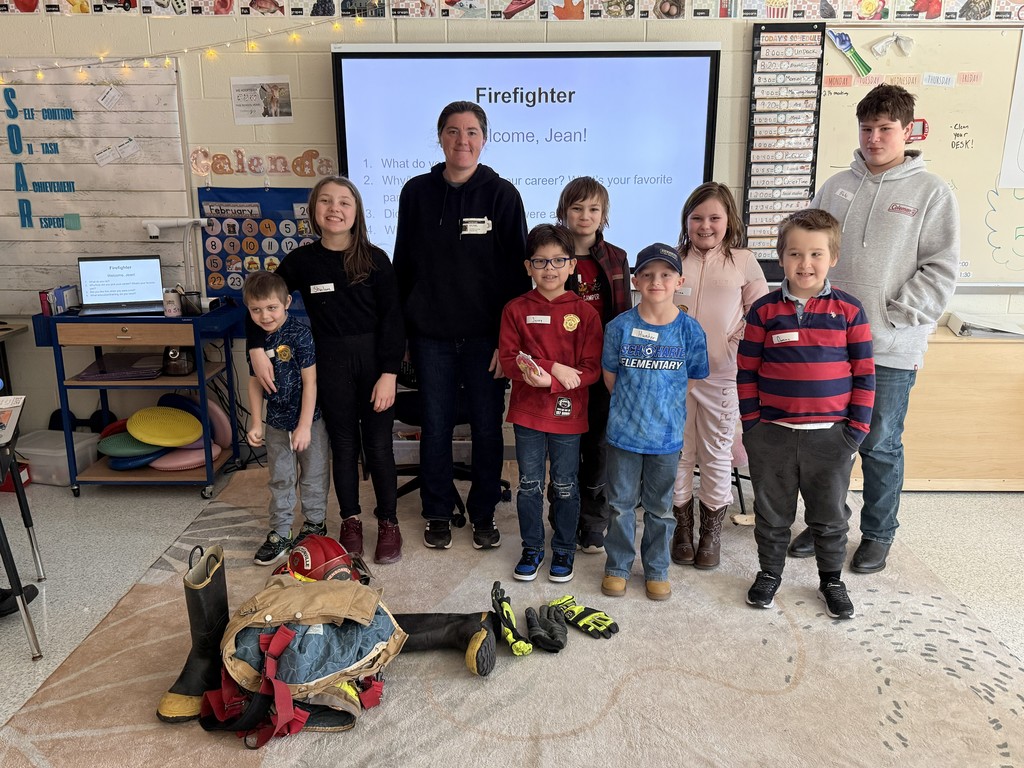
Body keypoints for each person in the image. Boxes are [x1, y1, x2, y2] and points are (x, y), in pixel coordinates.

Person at [787, 84, 959, 574]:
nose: (875, 138)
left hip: (889, 346)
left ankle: (878, 533)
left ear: (908, 130)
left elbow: (941, 269)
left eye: (886, 129)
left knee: (880, 443)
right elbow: (807, 250)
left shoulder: (932, 192)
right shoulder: (838, 185)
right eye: (867, 128)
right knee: (828, 445)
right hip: (827, 347)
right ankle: (826, 524)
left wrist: (893, 315)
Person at [393, 101, 530, 551]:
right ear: (440, 138)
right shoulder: (416, 192)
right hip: (430, 336)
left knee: (488, 428)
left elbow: (517, 276)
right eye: (453, 131)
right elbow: (403, 264)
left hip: (486, 339)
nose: (462, 140)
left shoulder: (503, 195)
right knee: (435, 425)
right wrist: (406, 334)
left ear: (484, 140)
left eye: (471, 132)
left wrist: (508, 342)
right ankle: (436, 511)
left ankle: (484, 511)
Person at [248, 176, 406, 565]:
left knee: (379, 446)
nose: (335, 209)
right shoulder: (303, 261)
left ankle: (388, 522)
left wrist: (390, 373)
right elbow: (262, 296)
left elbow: (393, 320)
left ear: (357, 212)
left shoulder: (375, 258)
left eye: (344, 203)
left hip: (374, 365)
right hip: (329, 363)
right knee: (344, 446)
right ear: (314, 211)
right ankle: (350, 521)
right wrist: (255, 347)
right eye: (326, 202)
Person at [738, 208, 875, 620]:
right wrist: (753, 427)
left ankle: (831, 579)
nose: (805, 264)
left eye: (816, 254)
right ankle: (769, 573)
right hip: (772, 436)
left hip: (831, 438)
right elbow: (746, 372)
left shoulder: (850, 312)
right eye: (795, 254)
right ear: (781, 258)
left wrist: (855, 432)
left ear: (833, 257)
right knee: (772, 512)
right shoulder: (763, 312)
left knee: (829, 515)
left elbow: (866, 375)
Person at [600, 244, 709, 602]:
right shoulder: (619, 327)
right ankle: (617, 566)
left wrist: (661, 406)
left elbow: (690, 381)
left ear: (679, 280)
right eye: (647, 274)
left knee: (661, 509)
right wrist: (636, 407)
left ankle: (657, 568)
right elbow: (611, 377)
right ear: (635, 280)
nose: (656, 281)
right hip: (624, 436)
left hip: (666, 438)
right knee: (620, 506)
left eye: (665, 274)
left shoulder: (690, 331)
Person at [670, 182, 768, 570]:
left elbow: (761, 314)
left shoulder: (743, 261)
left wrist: (733, 345)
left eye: (714, 217)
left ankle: (711, 533)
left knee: (714, 455)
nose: (705, 225)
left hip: (723, 376)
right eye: (697, 218)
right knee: (679, 454)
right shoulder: (674, 259)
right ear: (686, 221)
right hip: (674, 377)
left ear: (729, 221)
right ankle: (682, 529)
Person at [499, 224, 603, 583]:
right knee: (529, 484)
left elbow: (590, 369)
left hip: (568, 414)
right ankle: (532, 547)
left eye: (559, 260)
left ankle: (563, 548)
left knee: (565, 484)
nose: (549, 268)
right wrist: (552, 366)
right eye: (540, 261)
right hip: (528, 413)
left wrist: (555, 381)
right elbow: (510, 360)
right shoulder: (515, 309)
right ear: (528, 266)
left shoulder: (585, 314)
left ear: (572, 265)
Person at [554, 176, 631, 554]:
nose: (585, 216)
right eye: (577, 207)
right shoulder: (551, 254)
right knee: (565, 446)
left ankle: (593, 523)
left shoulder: (616, 257)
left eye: (594, 209)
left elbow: (625, 316)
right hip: (561, 369)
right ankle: (562, 518)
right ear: (563, 212)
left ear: (604, 215)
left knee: (599, 447)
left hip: (602, 368)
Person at [244, 270, 331, 566]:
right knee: (281, 477)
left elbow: (311, 383)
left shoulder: (301, 334)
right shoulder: (255, 342)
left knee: (314, 475)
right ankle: (281, 532)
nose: (264, 316)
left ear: (286, 303)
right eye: (256, 310)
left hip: (311, 421)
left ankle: (315, 525)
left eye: (271, 308)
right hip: (277, 423)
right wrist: (256, 421)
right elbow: (255, 381)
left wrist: (305, 425)